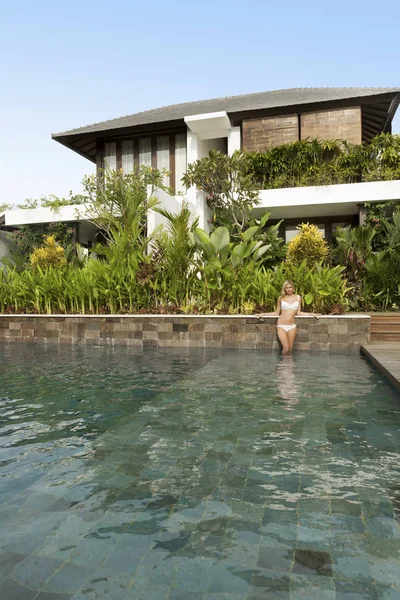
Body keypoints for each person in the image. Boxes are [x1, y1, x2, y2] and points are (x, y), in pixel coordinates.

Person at [257, 280, 319, 354]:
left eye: (290, 287)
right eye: (287, 288)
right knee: (285, 348)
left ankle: (289, 364)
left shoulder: (298, 297)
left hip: (292, 326)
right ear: (284, 289)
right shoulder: (281, 298)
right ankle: (283, 365)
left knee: (290, 349)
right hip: (281, 325)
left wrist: (312, 314)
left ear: (293, 288)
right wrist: (263, 314)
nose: (289, 289)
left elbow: (299, 312)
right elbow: (277, 313)